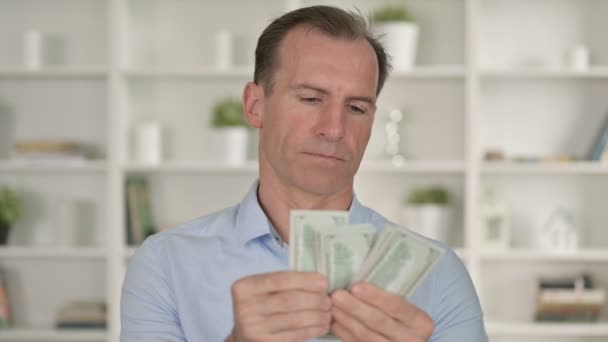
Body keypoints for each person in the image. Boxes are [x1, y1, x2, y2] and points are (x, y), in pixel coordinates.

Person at [121, 5, 488, 342]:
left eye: (357, 107)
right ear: (254, 105)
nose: (334, 128)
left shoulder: (440, 275)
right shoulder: (165, 263)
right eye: (311, 99)